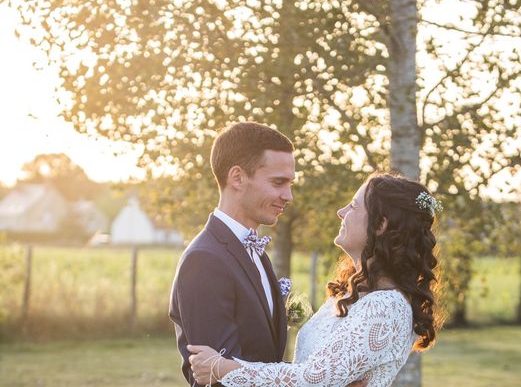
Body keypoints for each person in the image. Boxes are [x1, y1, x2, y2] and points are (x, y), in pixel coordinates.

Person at [188, 172, 442, 387]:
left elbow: (313, 379)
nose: (341, 212)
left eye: (353, 206)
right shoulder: (353, 296)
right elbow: (312, 370)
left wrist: (223, 368)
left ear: (381, 225)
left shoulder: (386, 308)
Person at [169, 121, 296, 386]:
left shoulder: (256, 252)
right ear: (237, 178)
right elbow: (215, 378)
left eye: (290, 184)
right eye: (278, 182)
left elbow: (265, 361)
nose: (288, 196)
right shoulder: (205, 260)